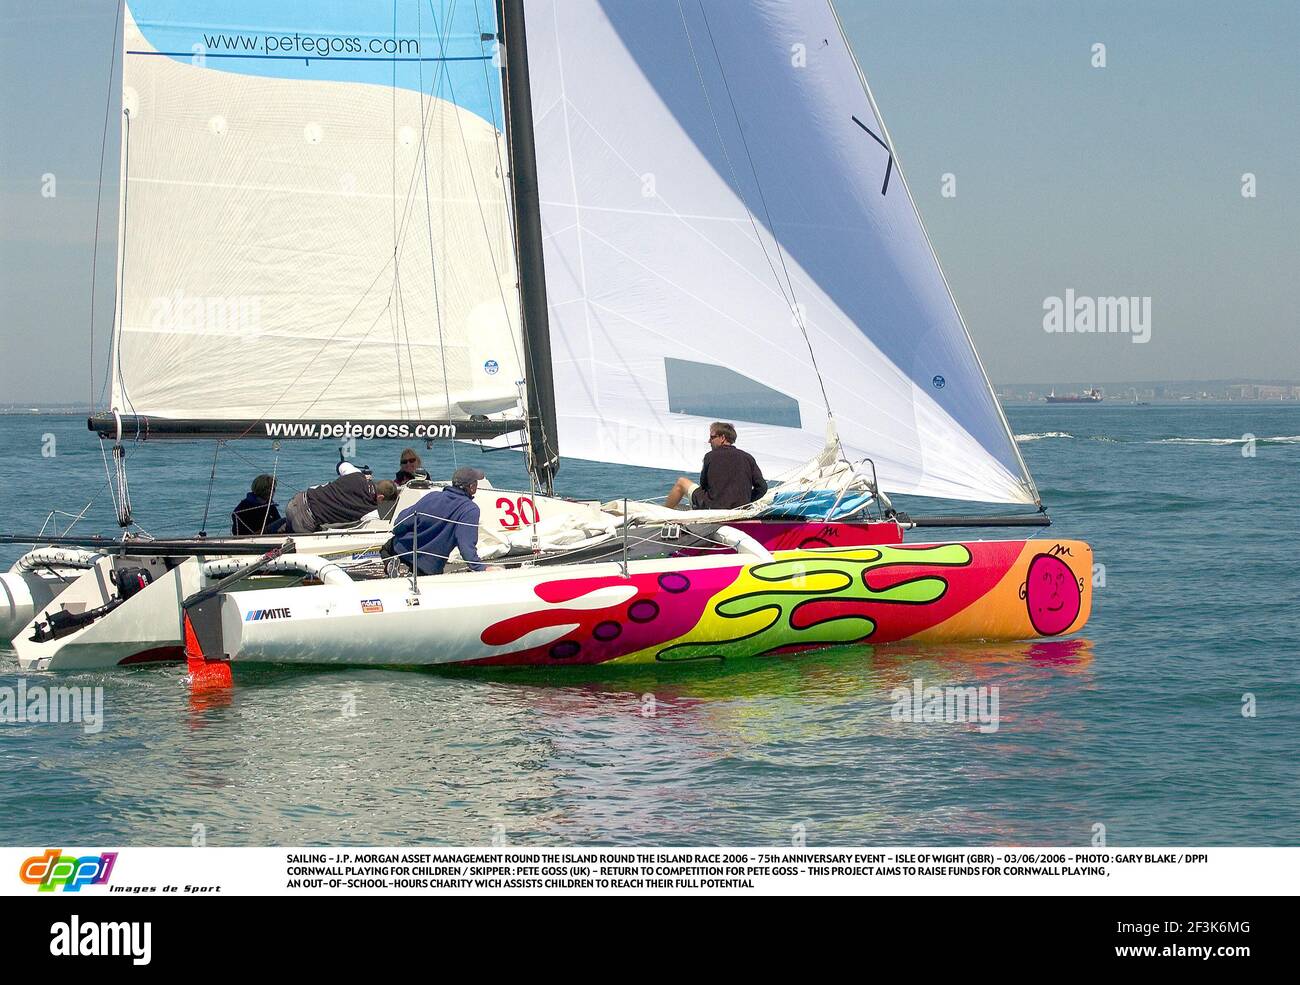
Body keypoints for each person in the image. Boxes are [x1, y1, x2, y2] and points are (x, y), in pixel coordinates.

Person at [385, 466, 495, 575]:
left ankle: (392, 566)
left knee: (385, 549)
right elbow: (465, 544)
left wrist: (397, 533)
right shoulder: (469, 509)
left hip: (401, 549)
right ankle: (410, 572)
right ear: (472, 487)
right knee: (424, 573)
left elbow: (402, 520)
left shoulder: (433, 496)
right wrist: (479, 567)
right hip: (429, 566)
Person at [665, 421, 767, 511]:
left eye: (712, 437)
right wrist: (747, 501)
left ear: (722, 438)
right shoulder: (748, 457)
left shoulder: (710, 456)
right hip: (741, 507)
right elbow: (762, 487)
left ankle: (662, 515)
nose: (709, 441)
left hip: (713, 506)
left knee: (681, 482)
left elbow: (704, 485)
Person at [285, 464, 398, 533]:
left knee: (284, 530)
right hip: (306, 520)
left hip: (296, 500)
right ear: (381, 497)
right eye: (385, 502)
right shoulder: (371, 511)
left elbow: (342, 465)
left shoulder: (356, 475)